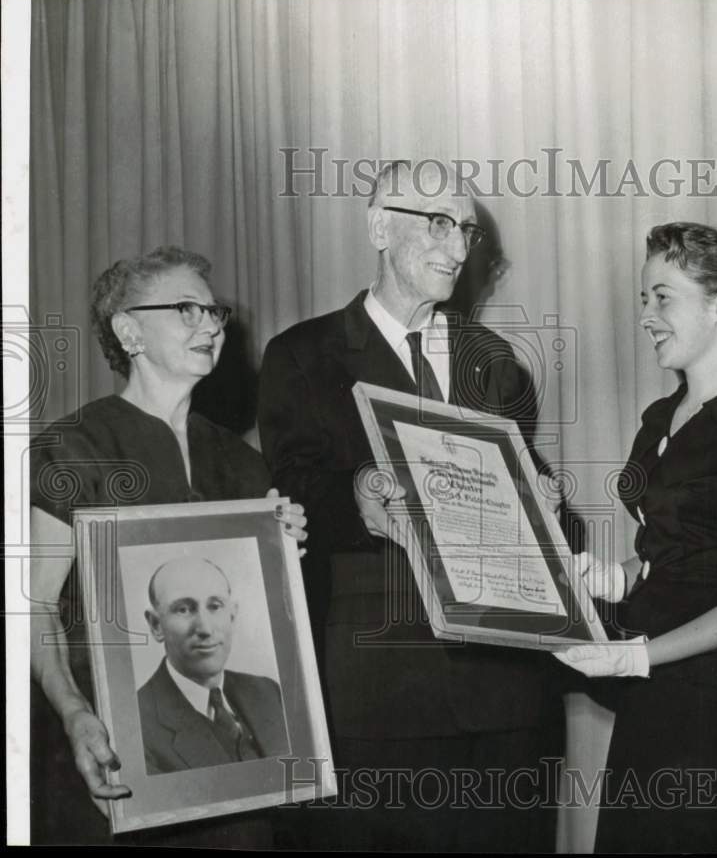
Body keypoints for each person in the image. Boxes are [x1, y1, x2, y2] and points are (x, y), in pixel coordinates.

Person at [257, 159, 562, 852]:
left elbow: (521, 485)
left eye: (467, 230)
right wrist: (358, 495)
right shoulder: (302, 355)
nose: (457, 249)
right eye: (437, 225)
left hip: (508, 689)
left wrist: (544, 504)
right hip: (383, 686)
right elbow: (294, 489)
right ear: (377, 226)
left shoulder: (497, 361)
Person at [29, 245, 307, 846]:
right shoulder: (73, 447)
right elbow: (35, 604)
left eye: (215, 313)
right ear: (128, 330)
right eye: (186, 309)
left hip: (238, 771)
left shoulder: (244, 463)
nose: (210, 325)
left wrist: (285, 557)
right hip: (113, 752)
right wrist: (75, 713)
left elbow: (258, 624)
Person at [555, 223, 717, 852]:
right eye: (643, 300)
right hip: (653, 686)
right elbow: (677, 552)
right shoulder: (665, 415)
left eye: (663, 298)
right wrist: (618, 575)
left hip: (712, 700)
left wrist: (640, 655)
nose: (647, 317)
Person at [138, 556, 289, 774]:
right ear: (155, 625)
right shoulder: (137, 729)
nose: (205, 628)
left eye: (215, 606)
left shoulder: (268, 692)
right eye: (183, 609)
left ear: (232, 615)